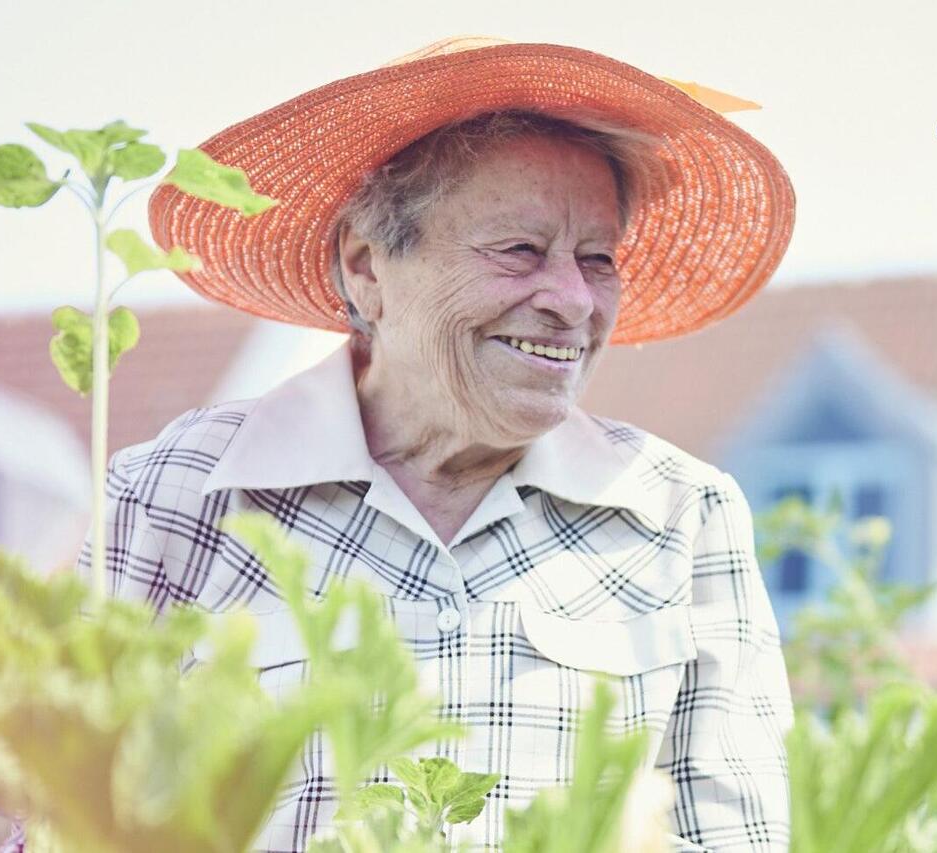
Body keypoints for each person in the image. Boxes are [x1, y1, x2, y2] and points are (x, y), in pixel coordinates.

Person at [94, 37, 797, 851]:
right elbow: (60, 818)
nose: (572, 300)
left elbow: (741, 836)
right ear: (367, 267)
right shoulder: (179, 493)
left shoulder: (680, 517)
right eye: (519, 251)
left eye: (596, 258)